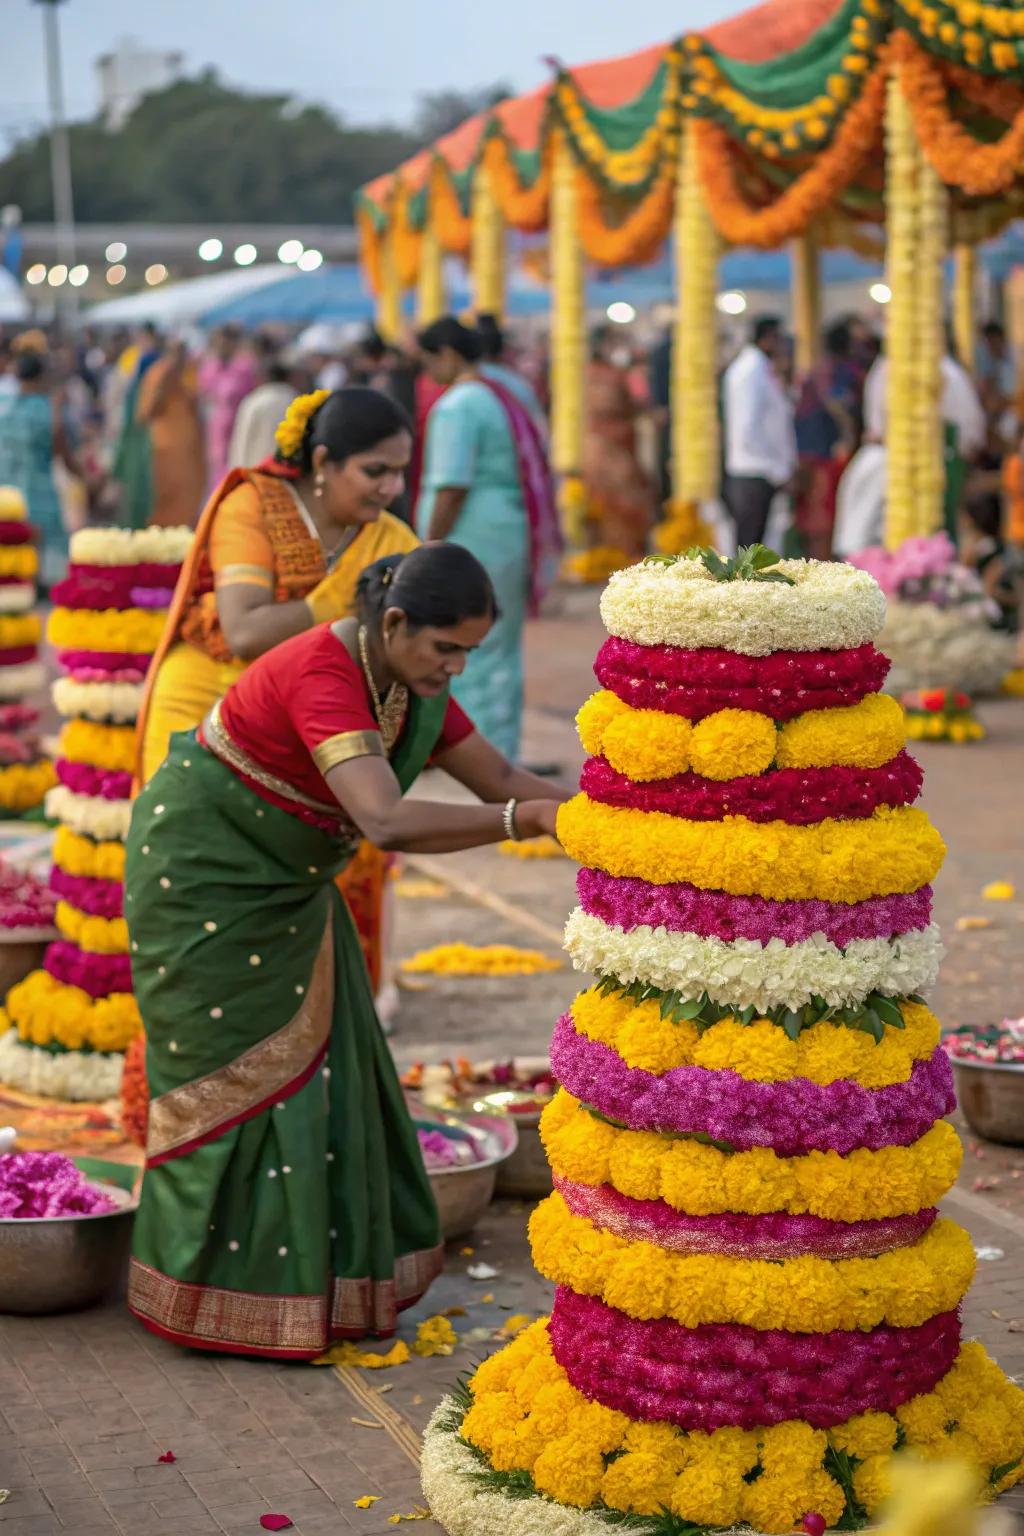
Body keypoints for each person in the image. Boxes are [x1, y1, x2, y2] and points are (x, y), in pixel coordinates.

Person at [125, 543, 565, 1357]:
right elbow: (387, 820)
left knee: (319, 1081)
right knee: (230, 1083)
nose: (457, 668)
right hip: (206, 876)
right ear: (393, 623)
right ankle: (204, 1298)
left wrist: (623, 817)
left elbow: (497, 773)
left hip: (293, 881)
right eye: (446, 648)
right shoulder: (323, 673)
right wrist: (523, 824)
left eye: (471, 650)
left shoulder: (406, 681)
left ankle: (309, 1293)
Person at [136, 387, 420, 999]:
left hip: (316, 715)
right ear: (323, 462)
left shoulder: (392, 540)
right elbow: (242, 631)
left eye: (400, 472)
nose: (390, 487)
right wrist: (344, 600)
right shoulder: (254, 505)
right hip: (207, 707)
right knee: (206, 875)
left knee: (339, 860)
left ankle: (329, 1009)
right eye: (375, 471)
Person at [416, 316, 560, 761]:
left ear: (449, 355)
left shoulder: (459, 405)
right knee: (497, 645)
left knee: (467, 644)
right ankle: (498, 751)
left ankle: (481, 757)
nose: (427, 373)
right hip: (504, 531)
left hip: (473, 533)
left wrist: (428, 546)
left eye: (428, 361)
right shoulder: (502, 389)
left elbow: (451, 484)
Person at [0, 345, 80, 589]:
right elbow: (63, 448)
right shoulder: (50, 409)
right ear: (41, 376)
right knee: (41, 551)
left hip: (6, 493)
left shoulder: (4, 406)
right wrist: (83, 476)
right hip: (40, 491)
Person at [721, 315, 798, 548]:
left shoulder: (759, 368)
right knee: (749, 546)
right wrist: (776, 469)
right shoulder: (750, 371)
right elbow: (747, 428)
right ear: (768, 339)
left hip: (762, 468)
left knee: (758, 542)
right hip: (754, 469)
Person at [582, 325, 655, 558]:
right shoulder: (617, 374)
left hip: (603, 443)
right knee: (615, 500)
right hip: (606, 446)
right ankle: (619, 552)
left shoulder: (584, 374)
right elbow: (640, 401)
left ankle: (610, 552)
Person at [793, 320, 862, 560]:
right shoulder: (837, 369)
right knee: (822, 512)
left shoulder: (821, 367)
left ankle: (816, 563)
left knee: (816, 511)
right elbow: (835, 401)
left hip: (809, 448)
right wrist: (847, 433)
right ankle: (820, 566)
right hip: (823, 450)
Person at [133, 337, 206, 528]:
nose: (179, 358)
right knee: (166, 502)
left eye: (182, 352)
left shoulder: (189, 374)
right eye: (175, 352)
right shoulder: (158, 374)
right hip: (166, 451)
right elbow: (144, 414)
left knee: (189, 501)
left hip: (190, 454)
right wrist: (165, 384)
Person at [198, 324, 259, 492]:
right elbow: (205, 393)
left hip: (239, 423)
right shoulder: (210, 366)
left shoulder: (245, 367)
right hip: (217, 427)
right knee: (217, 469)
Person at [227, 357, 296, 469]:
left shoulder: (254, 401)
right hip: (289, 473)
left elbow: (242, 442)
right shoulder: (296, 399)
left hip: (257, 472)